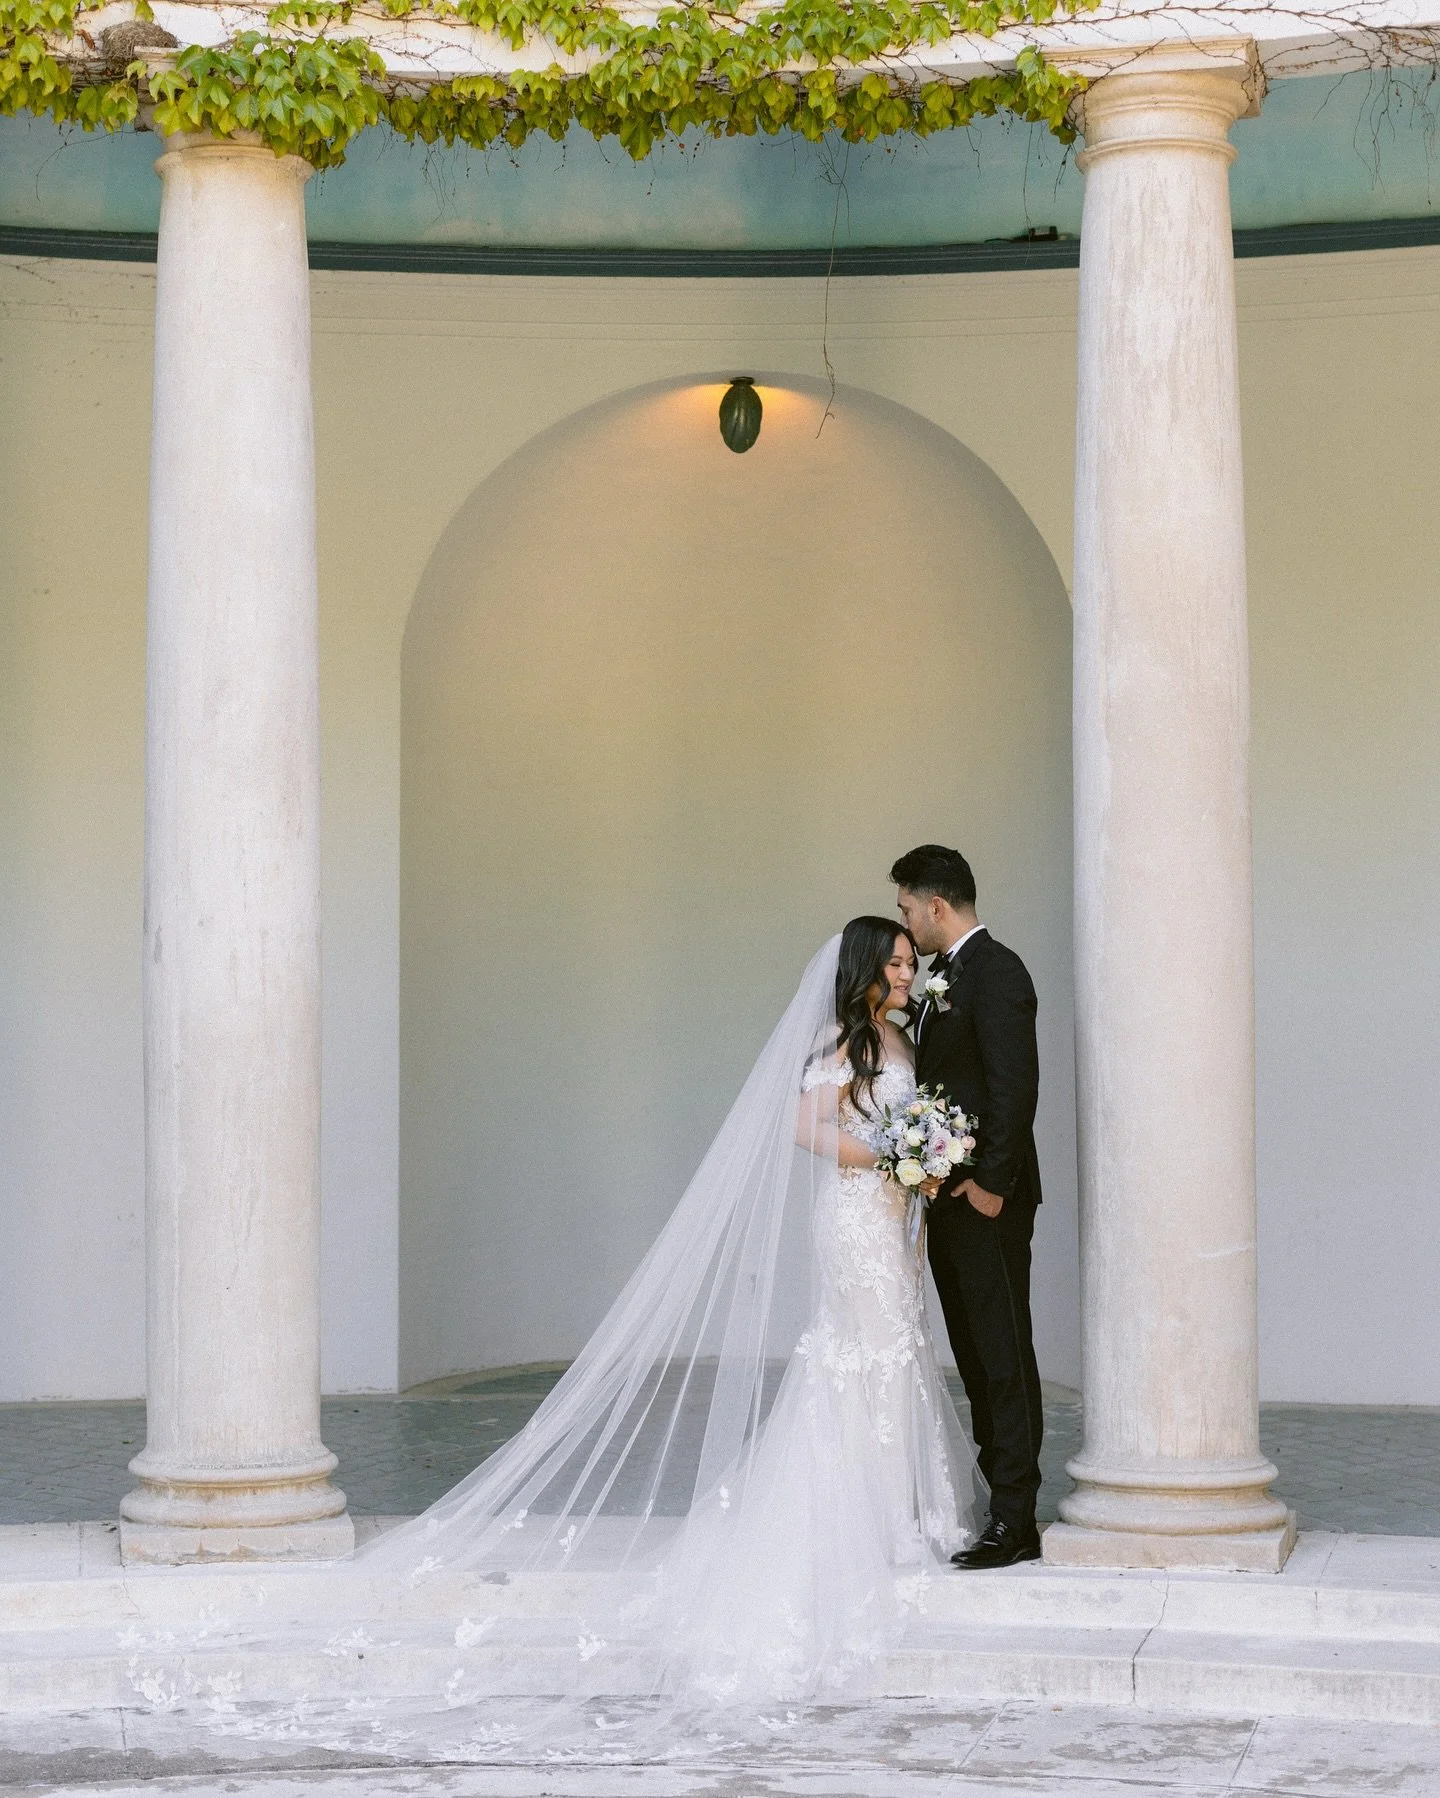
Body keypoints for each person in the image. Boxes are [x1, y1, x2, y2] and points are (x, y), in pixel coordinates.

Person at [892, 843, 1045, 1569]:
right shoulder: (940, 980)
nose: (906, 922)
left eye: (906, 908)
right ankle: (997, 1501)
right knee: (977, 1356)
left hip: (988, 1200)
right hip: (948, 1198)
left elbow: (1016, 1088)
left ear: (937, 906)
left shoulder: (999, 971)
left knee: (1003, 1352)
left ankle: (1017, 1519)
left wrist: (991, 1183)